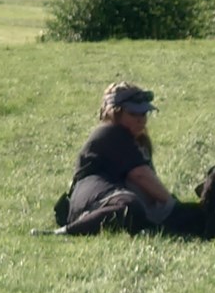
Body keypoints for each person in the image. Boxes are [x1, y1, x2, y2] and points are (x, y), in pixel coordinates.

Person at [36, 82, 178, 235]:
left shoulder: (140, 142)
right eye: (133, 114)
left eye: (143, 113)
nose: (141, 119)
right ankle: (65, 232)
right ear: (114, 113)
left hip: (115, 196)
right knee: (129, 207)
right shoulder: (109, 132)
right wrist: (173, 206)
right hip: (90, 202)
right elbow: (140, 175)